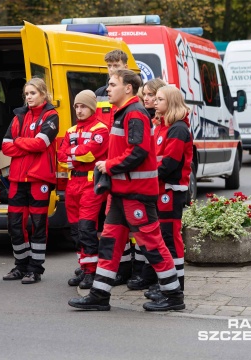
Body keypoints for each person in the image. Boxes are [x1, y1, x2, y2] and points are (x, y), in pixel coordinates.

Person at [68, 69, 185, 312]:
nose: (107, 89)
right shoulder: (124, 113)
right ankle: (99, 295)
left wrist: (108, 165)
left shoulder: (134, 113)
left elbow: (138, 151)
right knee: (110, 243)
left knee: (152, 243)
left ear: (128, 88)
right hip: (123, 193)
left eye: (112, 84)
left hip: (136, 194)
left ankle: (174, 296)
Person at [1, 77, 59, 284]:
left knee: (37, 225)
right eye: (26, 94)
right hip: (17, 178)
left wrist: (19, 142)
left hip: (39, 178)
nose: (29, 97)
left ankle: (35, 269)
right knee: (14, 224)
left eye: (33, 93)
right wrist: (26, 144)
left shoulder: (51, 115)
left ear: (43, 94)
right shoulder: (19, 116)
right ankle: (21, 265)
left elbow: (41, 143)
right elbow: (6, 145)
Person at [143, 85, 193, 301]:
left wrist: (146, 177)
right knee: (164, 238)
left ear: (171, 102)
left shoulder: (178, 129)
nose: (155, 102)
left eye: (160, 99)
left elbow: (170, 162)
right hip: (162, 188)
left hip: (171, 190)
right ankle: (166, 283)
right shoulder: (164, 126)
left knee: (170, 238)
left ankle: (176, 286)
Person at [57, 90, 109, 289]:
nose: (79, 110)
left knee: (87, 229)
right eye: (77, 106)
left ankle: (91, 272)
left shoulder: (101, 129)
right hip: (72, 184)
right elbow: (61, 158)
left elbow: (89, 153)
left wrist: (73, 156)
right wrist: (75, 155)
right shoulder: (71, 131)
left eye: (83, 106)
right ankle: (83, 267)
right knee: (75, 230)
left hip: (90, 184)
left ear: (92, 108)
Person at [94, 49, 134, 285]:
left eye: (116, 65)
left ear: (126, 65)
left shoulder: (133, 93)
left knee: (123, 223)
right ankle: (112, 267)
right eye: (109, 66)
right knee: (105, 222)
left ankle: (128, 269)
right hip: (104, 162)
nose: (112, 70)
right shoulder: (102, 93)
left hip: (119, 162)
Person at [127, 78, 168, 291]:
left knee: (154, 235)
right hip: (145, 184)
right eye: (145, 95)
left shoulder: (161, 120)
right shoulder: (147, 118)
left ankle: (152, 277)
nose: (147, 98)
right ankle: (142, 272)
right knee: (141, 234)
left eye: (152, 95)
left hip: (158, 186)